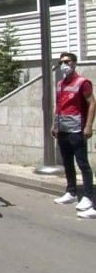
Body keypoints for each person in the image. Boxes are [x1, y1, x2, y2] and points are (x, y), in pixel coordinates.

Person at [50, 52, 96, 218]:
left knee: (83, 164)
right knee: (67, 163)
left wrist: (89, 126)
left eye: (67, 61)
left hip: (77, 130)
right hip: (62, 129)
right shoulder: (61, 84)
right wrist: (54, 125)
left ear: (74, 63)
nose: (64, 65)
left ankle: (89, 197)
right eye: (61, 62)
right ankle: (71, 191)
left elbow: (92, 103)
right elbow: (58, 106)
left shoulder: (82, 83)